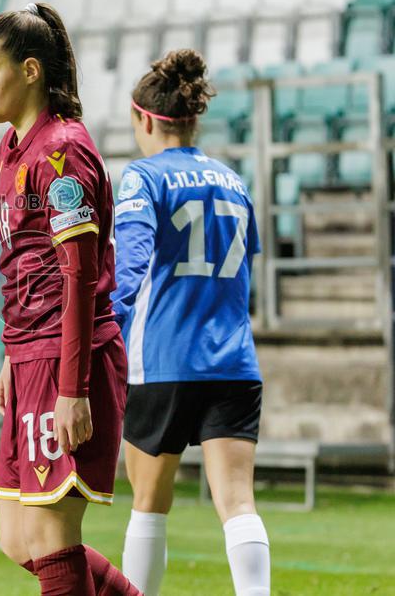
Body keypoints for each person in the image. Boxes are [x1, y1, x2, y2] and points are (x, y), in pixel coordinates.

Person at [0, 2, 141, 595]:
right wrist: (11, 357)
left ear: (28, 71)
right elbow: (26, 266)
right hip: (30, 356)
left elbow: (78, 279)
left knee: (51, 536)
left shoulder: (63, 154)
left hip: (68, 360)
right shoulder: (12, 148)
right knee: (18, 539)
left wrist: (72, 389)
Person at [113, 49, 269, 596]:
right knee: (238, 502)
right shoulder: (234, 180)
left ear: (145, 119)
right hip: (234, 361)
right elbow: (251, 262)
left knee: (150, 505)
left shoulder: (142, 178)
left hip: (164, 361)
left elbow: (127, 272)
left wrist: (100, 333)